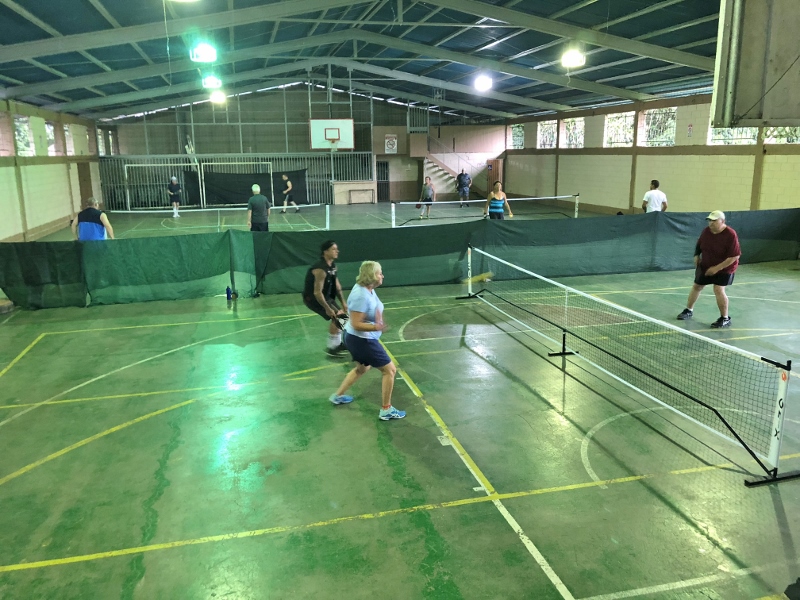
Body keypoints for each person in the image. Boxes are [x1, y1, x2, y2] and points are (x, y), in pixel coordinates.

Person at [329, 261, 405, 421]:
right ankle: (386, 410)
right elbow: (356, 324)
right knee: (390, 371)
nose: (382, 275)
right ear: (371, 276)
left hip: (357, 339)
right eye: (379, 273)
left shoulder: (368, 289)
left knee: (362, 369)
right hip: (362, 340)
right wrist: (377, 327)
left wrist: (377, 319)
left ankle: (338, 396)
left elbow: (366, 310)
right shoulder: (361, 295)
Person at [677, 210, 740, 328]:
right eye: (709, 220)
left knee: (718, 289)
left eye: (714, 221)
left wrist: (716, 268)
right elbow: (699, 243)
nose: (711, 223)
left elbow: (734, 256)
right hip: (706, 264)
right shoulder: (707, 231)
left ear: (722, 221)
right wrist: (696, 255)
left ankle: (725, 318)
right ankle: (688, 310)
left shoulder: (730, 234)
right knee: (697, 286)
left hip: (725, 267)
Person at [303, 240, 349, 356]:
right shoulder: (320, 269)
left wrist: (343, 302)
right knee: (337, 317)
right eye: (334, 249)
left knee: (342, 318)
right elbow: (317, 293)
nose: (337, 251)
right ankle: (331, 348)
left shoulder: (333, 266)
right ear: (325, 251)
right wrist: (327, 308)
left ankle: (336, 344)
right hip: (313, 298)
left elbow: (337, 286)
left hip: (326, 295)